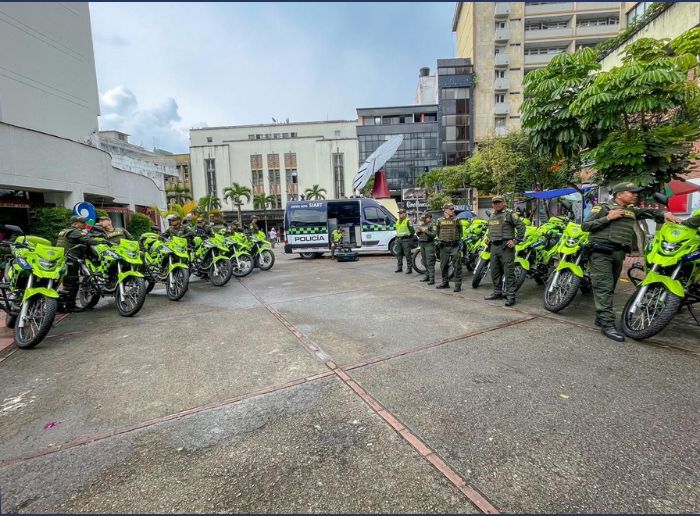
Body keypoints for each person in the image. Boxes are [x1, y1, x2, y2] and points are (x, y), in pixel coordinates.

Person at [582, 182, 680, 342]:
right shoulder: (603, 208)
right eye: (631, 192)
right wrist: (607, 218)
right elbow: (585, 227)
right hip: (600, 252)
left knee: (610, 286)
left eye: (637, 193)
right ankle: (607, 324)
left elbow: (649, 212)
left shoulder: (631, 211)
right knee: (604, 287)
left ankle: (600, 317)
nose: (635, 195)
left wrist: (664, 215)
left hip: (619, 253)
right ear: (619, 194)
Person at [484, 196, 527, 306]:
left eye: (499, 202)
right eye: (494, 203)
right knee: (495, 271)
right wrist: (488, 238)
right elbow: (490, 229)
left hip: (506, 247)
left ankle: (510, 296)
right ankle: (497, 292)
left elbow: (521, 227)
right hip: (494, 246)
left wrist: (516, 240)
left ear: (503, 203)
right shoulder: (492, 215)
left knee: (508, 272)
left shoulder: (510, 214)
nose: (496, 204)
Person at [55, 216, 101, 312]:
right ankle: (69, 306)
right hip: (71, 260)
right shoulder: (74, 232)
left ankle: (60, 305)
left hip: (63, 259)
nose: (85, 224)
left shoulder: (64, 231)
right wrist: (101, 241)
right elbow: (87, 241)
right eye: (82, 222)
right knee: (73, 283)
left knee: (67, 283)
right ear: (75, 224)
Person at [435, 203, 463, 292]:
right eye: (451, 209)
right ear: (445, 210)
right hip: (444, 247)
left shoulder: (457, 220)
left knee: (457, 266)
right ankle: (445, 283)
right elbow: (437, 232)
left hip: (455, 246)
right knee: (443, 266)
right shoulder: (439, 221)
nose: (452, 211)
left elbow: (461, 233)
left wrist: (460, 244)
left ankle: (458, 285)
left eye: (453, 209)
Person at [416, 213, 437, 285]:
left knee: (430, 262)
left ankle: (432, 279)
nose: (424, 220)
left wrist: (425, 230)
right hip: (422, 244)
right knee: (424, 261)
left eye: (425, 218)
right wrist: (418, 232)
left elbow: (433, 235)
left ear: (429, 217)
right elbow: (420, 235)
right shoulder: (422, 225)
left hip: (429, 244)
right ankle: (427, 276)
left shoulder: (433, 225)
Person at [394, 208, 415, 274]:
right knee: (398, 254)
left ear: (405, 214)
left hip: (405, 240)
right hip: (398, 239)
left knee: (407, 255)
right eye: (399, 213)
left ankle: (409, 269)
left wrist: (408, 237)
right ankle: (399, 268)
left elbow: (412, 231)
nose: (400, 214)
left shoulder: (407, 221)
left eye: (401, 213)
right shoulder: (397, 221)